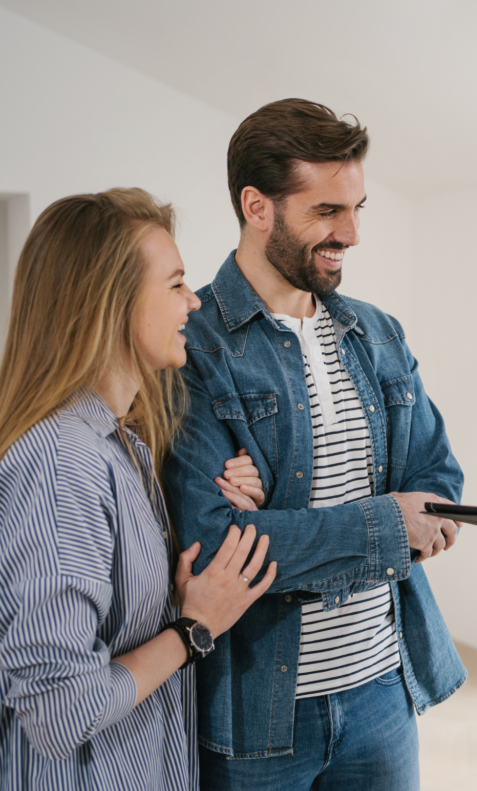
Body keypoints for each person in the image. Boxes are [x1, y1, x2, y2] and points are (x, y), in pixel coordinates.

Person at [161, 98, 465, 790]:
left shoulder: (378, 332)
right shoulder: (195, 344)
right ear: (256, 205)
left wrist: (278, 526)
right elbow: (213, 548)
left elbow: (440, 480)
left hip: (383, 690)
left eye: (358, 208)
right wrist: (389, 522)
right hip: (260, 713)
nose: (352, 233)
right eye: (327, 211)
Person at [0, 188, 277, 790]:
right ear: (113, 302)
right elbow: (59, 709)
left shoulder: (123, 445)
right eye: (175, 284)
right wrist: (193, 629)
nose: (194, 301)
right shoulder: (61, 461)